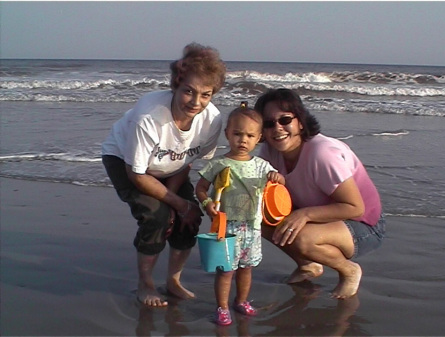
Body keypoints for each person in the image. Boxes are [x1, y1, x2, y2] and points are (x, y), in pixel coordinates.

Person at [101, 43, 227, 307]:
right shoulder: (148, 116)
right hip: (127, 162)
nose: (196, 102)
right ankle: (145, 284)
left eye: (206, 95)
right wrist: (174, 203)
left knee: (189, 218)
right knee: (157, 217)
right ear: (175, 85)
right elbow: (136, 174)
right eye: (188, 92)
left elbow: (187, 161)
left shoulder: (212, 120)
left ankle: (173, 281)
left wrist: (181, 206)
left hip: (172, 167)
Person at [254, 88, 386, 299]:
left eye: (285, 119)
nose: (277, 128)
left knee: (302, 239)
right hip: (318, 215)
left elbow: (355, 207)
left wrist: (304, 215)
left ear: (300, 121)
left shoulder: (322, 153)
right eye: (269, 123)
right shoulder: (270, 152)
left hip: (364, 224)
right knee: (257, 217)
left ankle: (349, 271)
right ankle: (308, 265)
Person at [196, 102, 285, 325]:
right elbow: (200, 188)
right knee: (226, 271)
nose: (242, 140)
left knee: (247, 268)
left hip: (252, 228)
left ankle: (242, 300)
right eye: (237, 134)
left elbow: (279, 183)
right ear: (227, 133)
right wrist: (207, 203)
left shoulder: (263, 166)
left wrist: (277, 179)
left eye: (249, 135)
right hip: (226, 227)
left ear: (259, 138)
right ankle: (222, 307)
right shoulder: (219, 163)